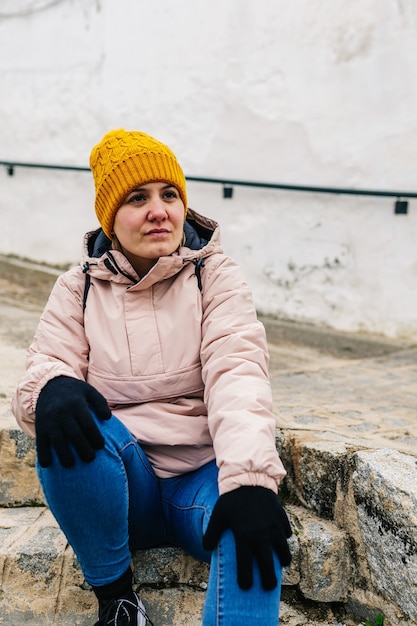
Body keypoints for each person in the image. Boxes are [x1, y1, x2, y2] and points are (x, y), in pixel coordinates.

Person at [12, 128, 292, 626]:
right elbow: (44, 365)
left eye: (169, 195)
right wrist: (50, 389)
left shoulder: (215, 276)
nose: (159, 210)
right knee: (66, 407)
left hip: (203, 483)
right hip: (122, 489)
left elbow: (238, 372)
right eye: (137, 198)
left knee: (254, 532)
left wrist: (249, 483)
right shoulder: (76, 288)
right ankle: (119, 603)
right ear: (110, 219)